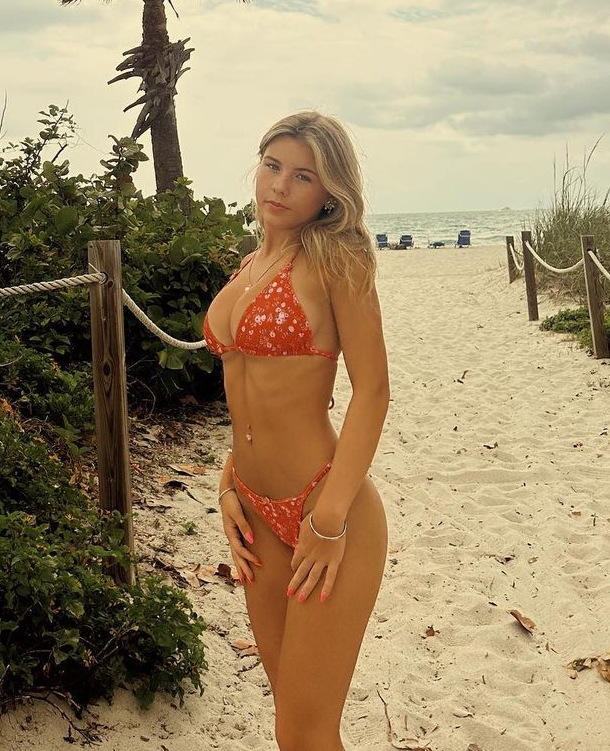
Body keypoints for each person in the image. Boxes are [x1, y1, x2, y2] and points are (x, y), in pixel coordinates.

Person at [202, 111, 390, 751]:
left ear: (328, 192)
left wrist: (329, 520)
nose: (279, 185)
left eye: (302, 176)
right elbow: (245, 397)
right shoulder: (250, 263)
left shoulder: (337, 257)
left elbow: (374, 390)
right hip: (256, 513)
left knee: (307, 733)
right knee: (295, 727)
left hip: (324, 507)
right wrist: (227, 483)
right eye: (272, 165)